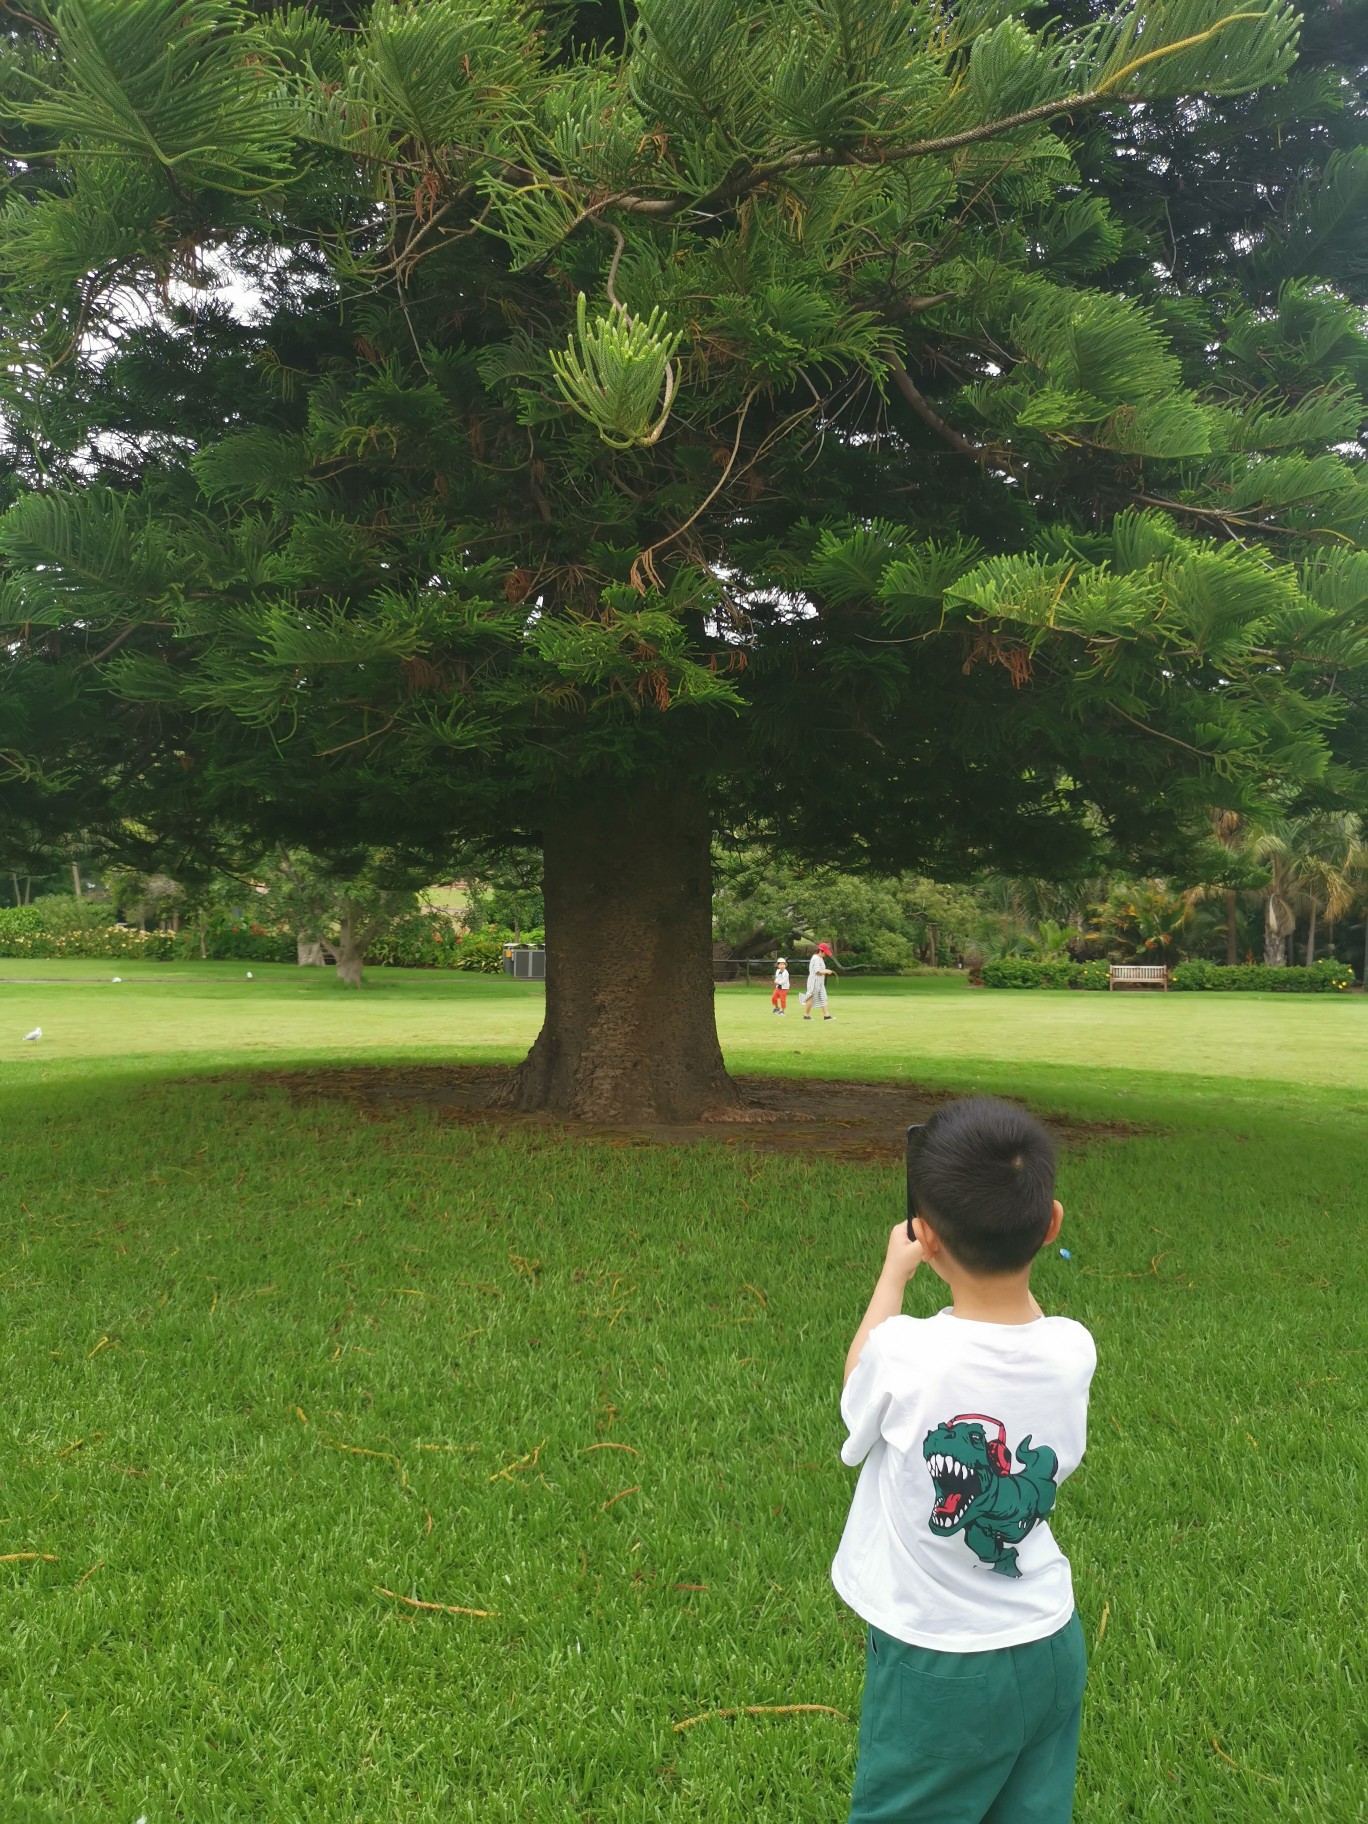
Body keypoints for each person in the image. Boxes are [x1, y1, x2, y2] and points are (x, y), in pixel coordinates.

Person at [833, 1097, 1096, 1824]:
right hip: (1049, 1641)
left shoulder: (905, 1352)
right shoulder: (1074, 1348)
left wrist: (893, 1279)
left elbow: (858, 1392)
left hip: (937, 1663)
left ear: (928, 1239)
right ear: (1051, 1224)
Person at [801, 941, 834, 1020]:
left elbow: (821, 969)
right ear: (820, 950)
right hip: (814, 982)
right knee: (810, 997)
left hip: (820, 982)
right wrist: (826, 971)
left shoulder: (820, 958)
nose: (826, 954)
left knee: (823, 997)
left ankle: (826, 1015)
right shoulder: (815, 958)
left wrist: (826, 970)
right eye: (825, 952)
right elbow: (818, 972)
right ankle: (806, 1015)